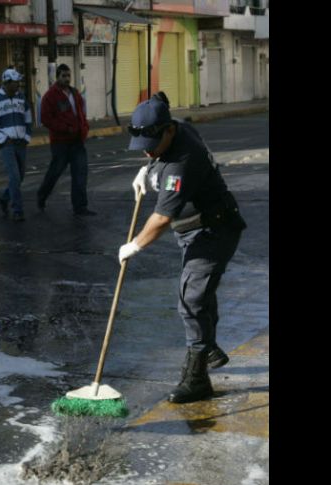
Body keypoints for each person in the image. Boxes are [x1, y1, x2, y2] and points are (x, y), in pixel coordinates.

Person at [119, 92, 247, 404]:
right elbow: (158, 155)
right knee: (201, 296)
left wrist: (134, 245)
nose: (148, 154)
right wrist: (148, 171)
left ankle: (197, 379)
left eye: (152, 147)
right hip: (196, 230)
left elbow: (162, 218)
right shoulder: (177, 127)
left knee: (191, 300)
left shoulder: (181, 162)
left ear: (169, 131)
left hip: (213, 231)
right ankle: (208, 347)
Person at [36, 64, 96, 216]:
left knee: (80, 175)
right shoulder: (50, 96)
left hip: (77, 141)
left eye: (68, 76)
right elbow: (45, 119)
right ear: (57, 77)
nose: (67, 79)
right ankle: (41, 196)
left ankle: (80, 207)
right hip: (60, 143)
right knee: (54, 173)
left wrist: (84, 128)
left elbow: (81, 113)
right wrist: (65, 128)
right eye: (63, 76)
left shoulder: (75, 93)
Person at [0, 68, 32, 222]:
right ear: (7, 83)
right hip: (7, 145)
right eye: (15, 82)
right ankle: (18, 210)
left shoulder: (21, 97)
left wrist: (27, 136)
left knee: (20, 177)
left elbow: (28, 117)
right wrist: (2, 139)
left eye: (19, 82)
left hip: (21, 143)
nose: (18, 85)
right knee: (14, 176)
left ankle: (4, 198)